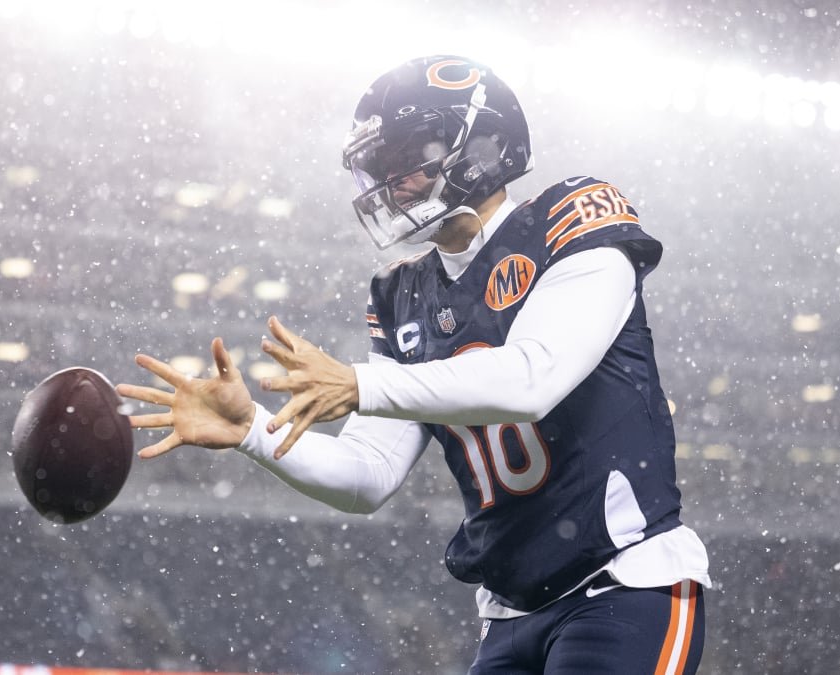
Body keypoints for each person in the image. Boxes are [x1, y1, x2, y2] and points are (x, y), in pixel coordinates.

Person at [118, 55, 712, 674]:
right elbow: (367, 473)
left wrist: (361, 383)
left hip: (624, 582)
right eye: (380, 164)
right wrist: (253, 433)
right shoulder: (406, 295)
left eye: (407, 156)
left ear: (481, 143)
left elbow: (534, 378)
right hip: (510, 613)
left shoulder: (570, 220)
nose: (390, 179)